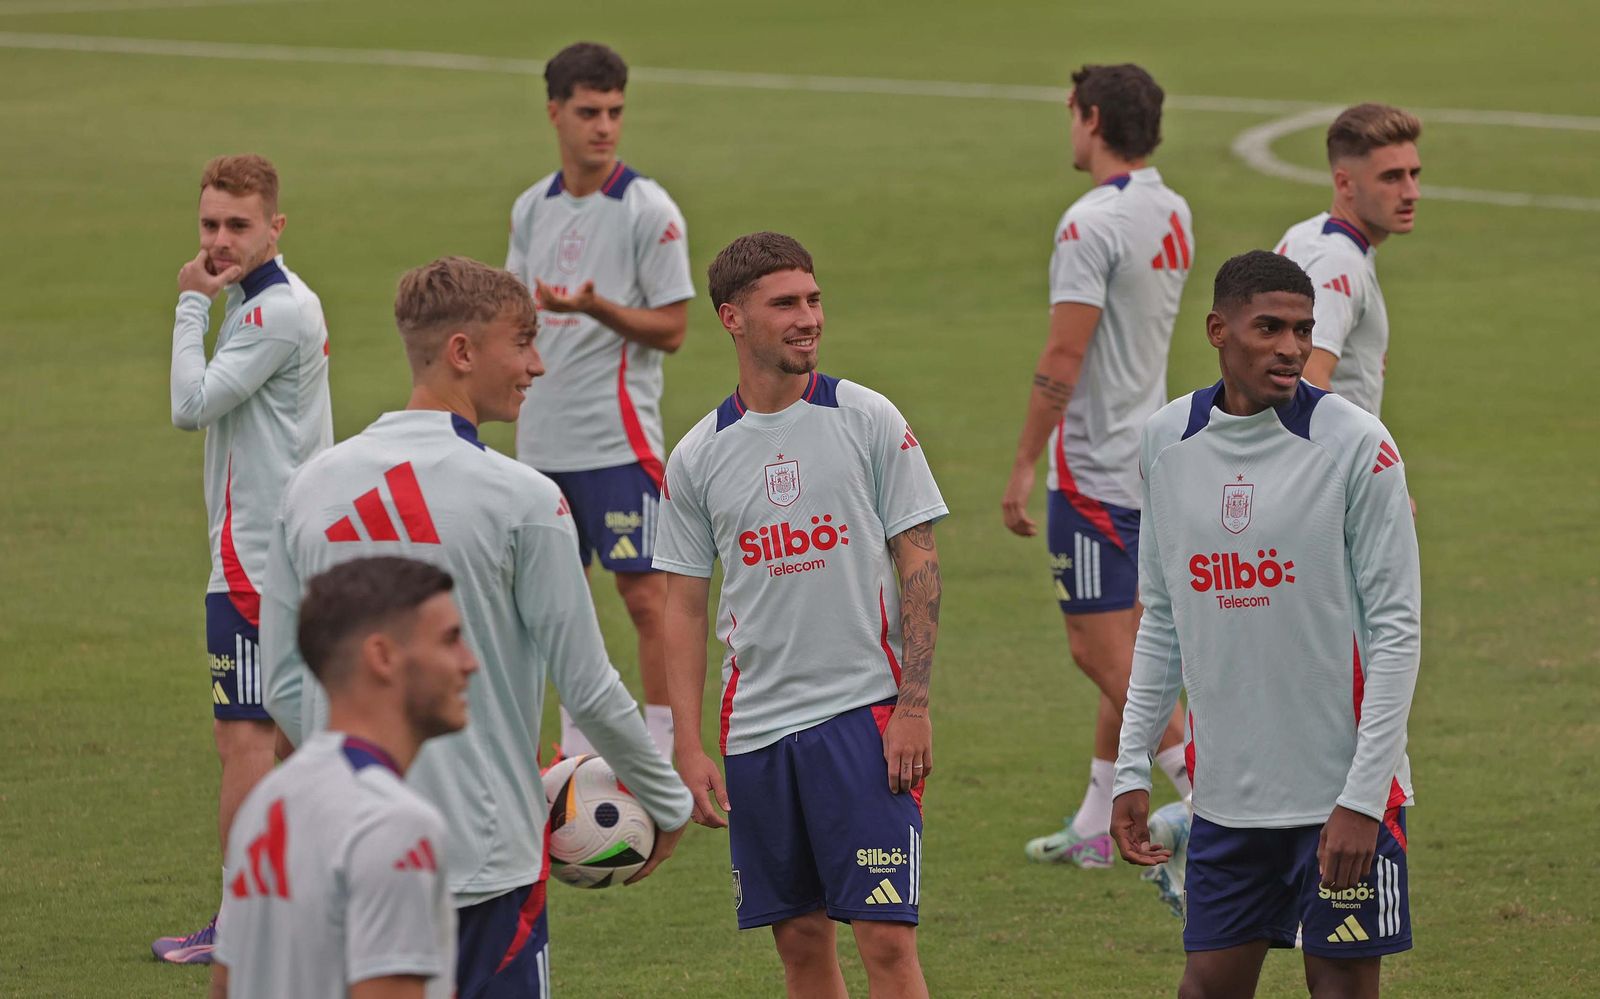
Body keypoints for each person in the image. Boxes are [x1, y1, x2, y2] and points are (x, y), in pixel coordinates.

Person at [261, 256, 692, 997]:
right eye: (522, 342)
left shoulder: (309, 488)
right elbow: (587, 685)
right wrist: (668, 799)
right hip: (485, 865)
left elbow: (282, 684)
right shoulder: (523, 498)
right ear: (462, 351)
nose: (537, 365)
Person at [1111, 251, 1421, 999]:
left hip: (1341, 797)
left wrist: (1363, 799)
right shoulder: (1165, 441)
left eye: (1304, 330)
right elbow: (1162, 619)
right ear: (1219, 330)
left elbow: (1396, 630)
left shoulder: (1358, 444)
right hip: (1227, 801)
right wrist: (1129, 769)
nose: (1292, 347)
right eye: (1270, 328)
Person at [656, 232, 948, 999]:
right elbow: (682, 605)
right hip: (755, 730)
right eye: (785, 303)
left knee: (888, 942)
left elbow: (919, 561)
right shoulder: (697, 456)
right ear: (732, 317)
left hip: (862, 715)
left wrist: (913, 705)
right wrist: (687, 741)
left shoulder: (867, 418)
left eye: (813, 300)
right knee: (801, 948)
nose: (808, 318)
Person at [999, 64, 1194, 873]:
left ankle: (1217, 799)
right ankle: (1094, 821)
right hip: (1150, 457)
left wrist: (1024, 461)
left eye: (1072, 113)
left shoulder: (1089, 224)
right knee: (1135, 647)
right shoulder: (1171, 207)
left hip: (1094, 470)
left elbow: (1064, 353)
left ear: (1092, 118)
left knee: (1100, 651)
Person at [155, 154, 333, 965]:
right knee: (300, 738)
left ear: (275, 226)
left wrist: (190, 302)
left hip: (257, 562)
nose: (219, 240)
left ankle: (243, 923)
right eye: (209, 224)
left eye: (237, 225)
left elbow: (190, 405)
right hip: (285, 553)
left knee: (245, 740)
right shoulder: (268, 300)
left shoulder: (271, 313)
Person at [505, 41, 695, 760]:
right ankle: (577, 753)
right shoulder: (533, 208)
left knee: (645, 598)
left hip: (617, 440)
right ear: (554, 112)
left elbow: (673, 329)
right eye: (589, 112)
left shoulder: (648, 210)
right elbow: (515, 309)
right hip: (540, 443)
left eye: (615, 111)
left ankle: (664, 751)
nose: (605, 126)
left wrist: (595, 308)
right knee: (559, 606)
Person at [211, 557, 474, 999]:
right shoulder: (394, 824)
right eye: (450, 640)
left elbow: (225, 984)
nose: (470, 662)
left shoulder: (269, 801)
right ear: (382, 657)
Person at [1274, 103, 1423, 417]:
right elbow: (1306, 377)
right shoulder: (1338, 263)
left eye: (1414, 174)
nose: (1411, 193)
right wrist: (1347, 446)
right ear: (1345, 184)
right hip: (1326, 449)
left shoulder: (1305, 235)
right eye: (1392, 178)